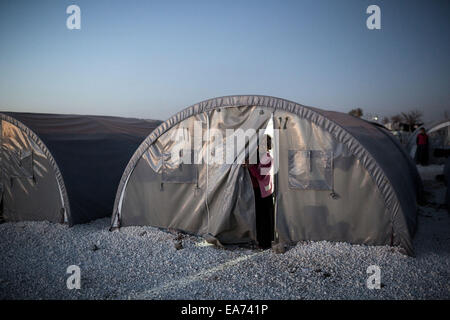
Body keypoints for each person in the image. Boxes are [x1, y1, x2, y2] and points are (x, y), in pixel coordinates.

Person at [244, 135, 274, 249]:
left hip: (264, 193)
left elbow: (260, 176)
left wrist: (249, 166)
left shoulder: (267, 158)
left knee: (264, 218)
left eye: (261, 144)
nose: (258, 147)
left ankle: (265, 243)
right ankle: (261, 242)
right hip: (258, 191)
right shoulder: (259, 156)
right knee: (260, 217)